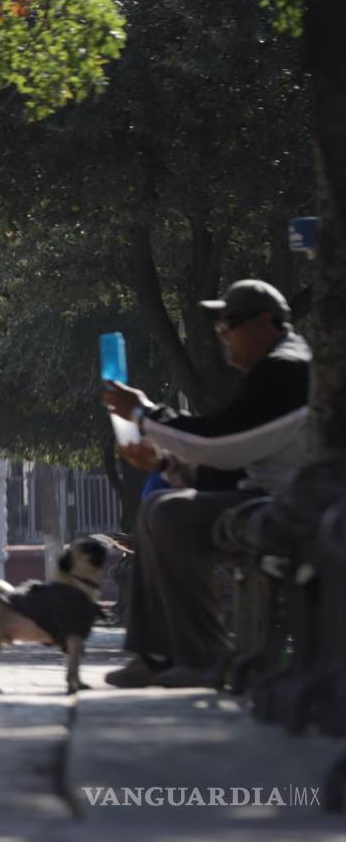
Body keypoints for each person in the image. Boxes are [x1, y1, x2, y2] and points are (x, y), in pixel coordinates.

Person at [101, 279, 311, 688]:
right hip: (267, 495)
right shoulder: (271, 369)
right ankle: (159, 653)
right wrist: (163, 461)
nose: (223, 334)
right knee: (158, 508)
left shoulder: (286, 369)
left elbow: (219, 442)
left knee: (171, 514)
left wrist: (144, 415)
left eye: (231, 323)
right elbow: (231, 460)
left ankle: (201, 656)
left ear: (267, 323)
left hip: (290, 504)